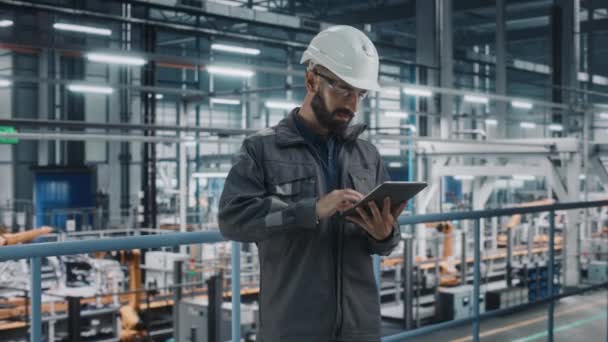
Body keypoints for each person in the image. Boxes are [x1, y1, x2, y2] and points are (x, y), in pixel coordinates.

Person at [218, 25, 408, 342]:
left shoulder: (367, 155)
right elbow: (233, 220)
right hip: (293, 329)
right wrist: (312, 210)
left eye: (360, 94)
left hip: (359, 329)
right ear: (311, 80)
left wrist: (385, 234)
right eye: (344, 90)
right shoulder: (262, 150)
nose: (353, 105)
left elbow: (387, 241)